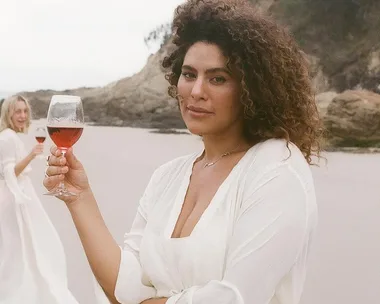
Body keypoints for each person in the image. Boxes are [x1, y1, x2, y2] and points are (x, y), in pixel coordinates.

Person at [43, 0, 324, 303]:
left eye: (218, 78)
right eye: (189, 74)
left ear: (252, 89)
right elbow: (124, 287)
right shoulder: (168, 176)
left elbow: (233, 298)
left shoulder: (278, 167)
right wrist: (79, 198)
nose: (196, 91)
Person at [0, 95, 78, 303]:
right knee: (18, 249)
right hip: (13, 200)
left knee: (23, 248)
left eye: (25, 111)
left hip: (17, 197)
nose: (23, 116)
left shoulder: (10, 136)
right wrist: (32, 155)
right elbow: (9, 173)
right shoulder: (7, 137)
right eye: (17, 111)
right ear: (8, 113)